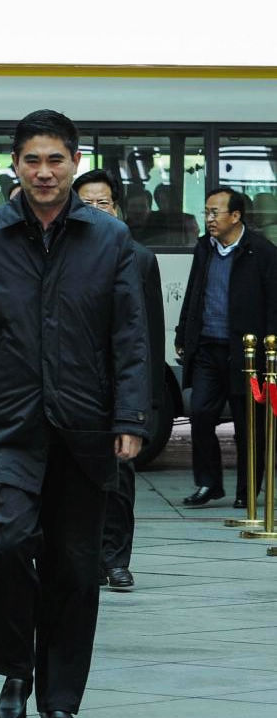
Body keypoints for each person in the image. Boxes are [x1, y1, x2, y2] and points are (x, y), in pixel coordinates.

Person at [0, 110, 149, 718]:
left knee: (76, 568)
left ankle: (61, 696)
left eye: (56, 160)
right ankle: (15, 666)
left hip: (84, 429)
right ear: (15, 166)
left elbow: (130, 337)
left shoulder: (109, 241)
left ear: (74, 164)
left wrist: (130, 415)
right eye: (32, 160)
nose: (44, 172)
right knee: (3, 546)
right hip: (6, 426)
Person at [74, 169, 165, 590]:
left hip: (117, 390)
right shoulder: (61, 252)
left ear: (117, 208)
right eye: (86, 204)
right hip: (72, 387)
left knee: (120, 479)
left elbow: (149, 333)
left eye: (103, 203)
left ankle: (116, 559)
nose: (96, 211)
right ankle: (84, 557)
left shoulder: (139, 257)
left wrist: (145, 403)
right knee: (75, 482)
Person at [176, 187, 277, 507]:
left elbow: (274, 306)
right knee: (201, 413)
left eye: (215, 212)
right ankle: (209, 484)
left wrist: (270, 351)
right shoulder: (205, 248)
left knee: (249, 424)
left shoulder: (261, 252)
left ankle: (246, 491)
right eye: (206, 212)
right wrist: (183, 333)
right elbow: (194, 292)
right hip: (208, 347)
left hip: (247, 354)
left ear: (236, 216)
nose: (209, 219)